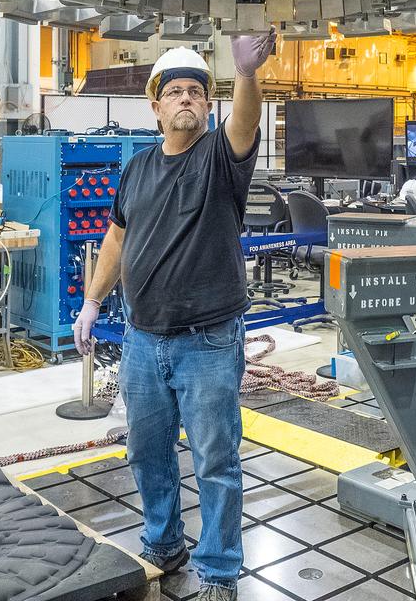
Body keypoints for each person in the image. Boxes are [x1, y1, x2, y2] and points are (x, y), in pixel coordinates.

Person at [73, 34, 276, 601]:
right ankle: (163, 544)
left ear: (207, 106)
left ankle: (217, 572)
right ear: (155, 106)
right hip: (142, 339)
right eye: (175, 92)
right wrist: (92, 301)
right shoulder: (136, 169)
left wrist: (245, 73)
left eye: (196, 92)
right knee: (147, 450)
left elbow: (245, 120)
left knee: (215, 458)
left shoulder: (219, 157)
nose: (186, 98)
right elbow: (116, 236)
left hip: (208, 340)